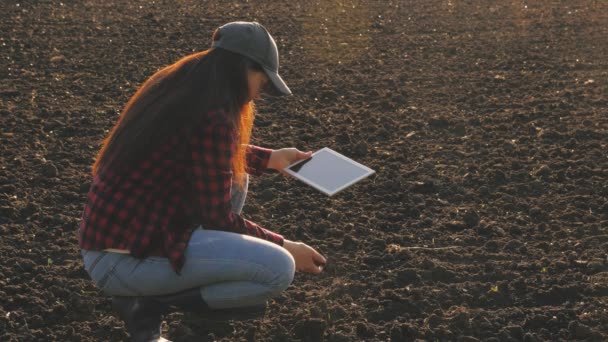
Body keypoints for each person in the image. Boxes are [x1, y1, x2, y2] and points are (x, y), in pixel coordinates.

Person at [79, 21, 327, 342]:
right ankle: (149, 303)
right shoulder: (216, 117)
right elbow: (218, 218)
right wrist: (285, 246)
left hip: (110, 246)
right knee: (277, 269)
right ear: (241, 68)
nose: (258, 94)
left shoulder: (182, 87)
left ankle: (155, 290)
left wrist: (270, 158)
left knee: (237, 178)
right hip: (123, 262)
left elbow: (204, 153)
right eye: (262, 82)